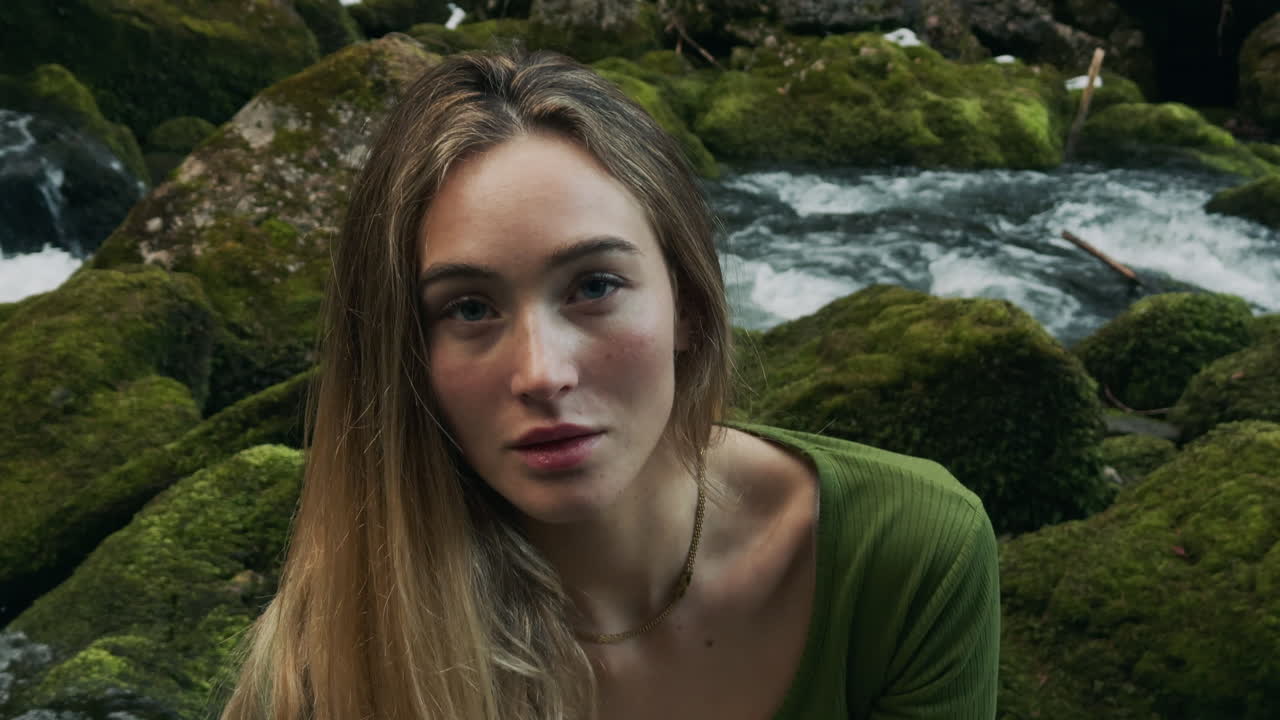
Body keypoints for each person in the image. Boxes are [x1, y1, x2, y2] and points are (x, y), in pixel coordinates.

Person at [215, 46, 1000, 720]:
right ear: (406, 355)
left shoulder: (906, 557)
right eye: (470, 308)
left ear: (689, 303)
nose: (543, 374)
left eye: (593, 287)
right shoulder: (347, 643)